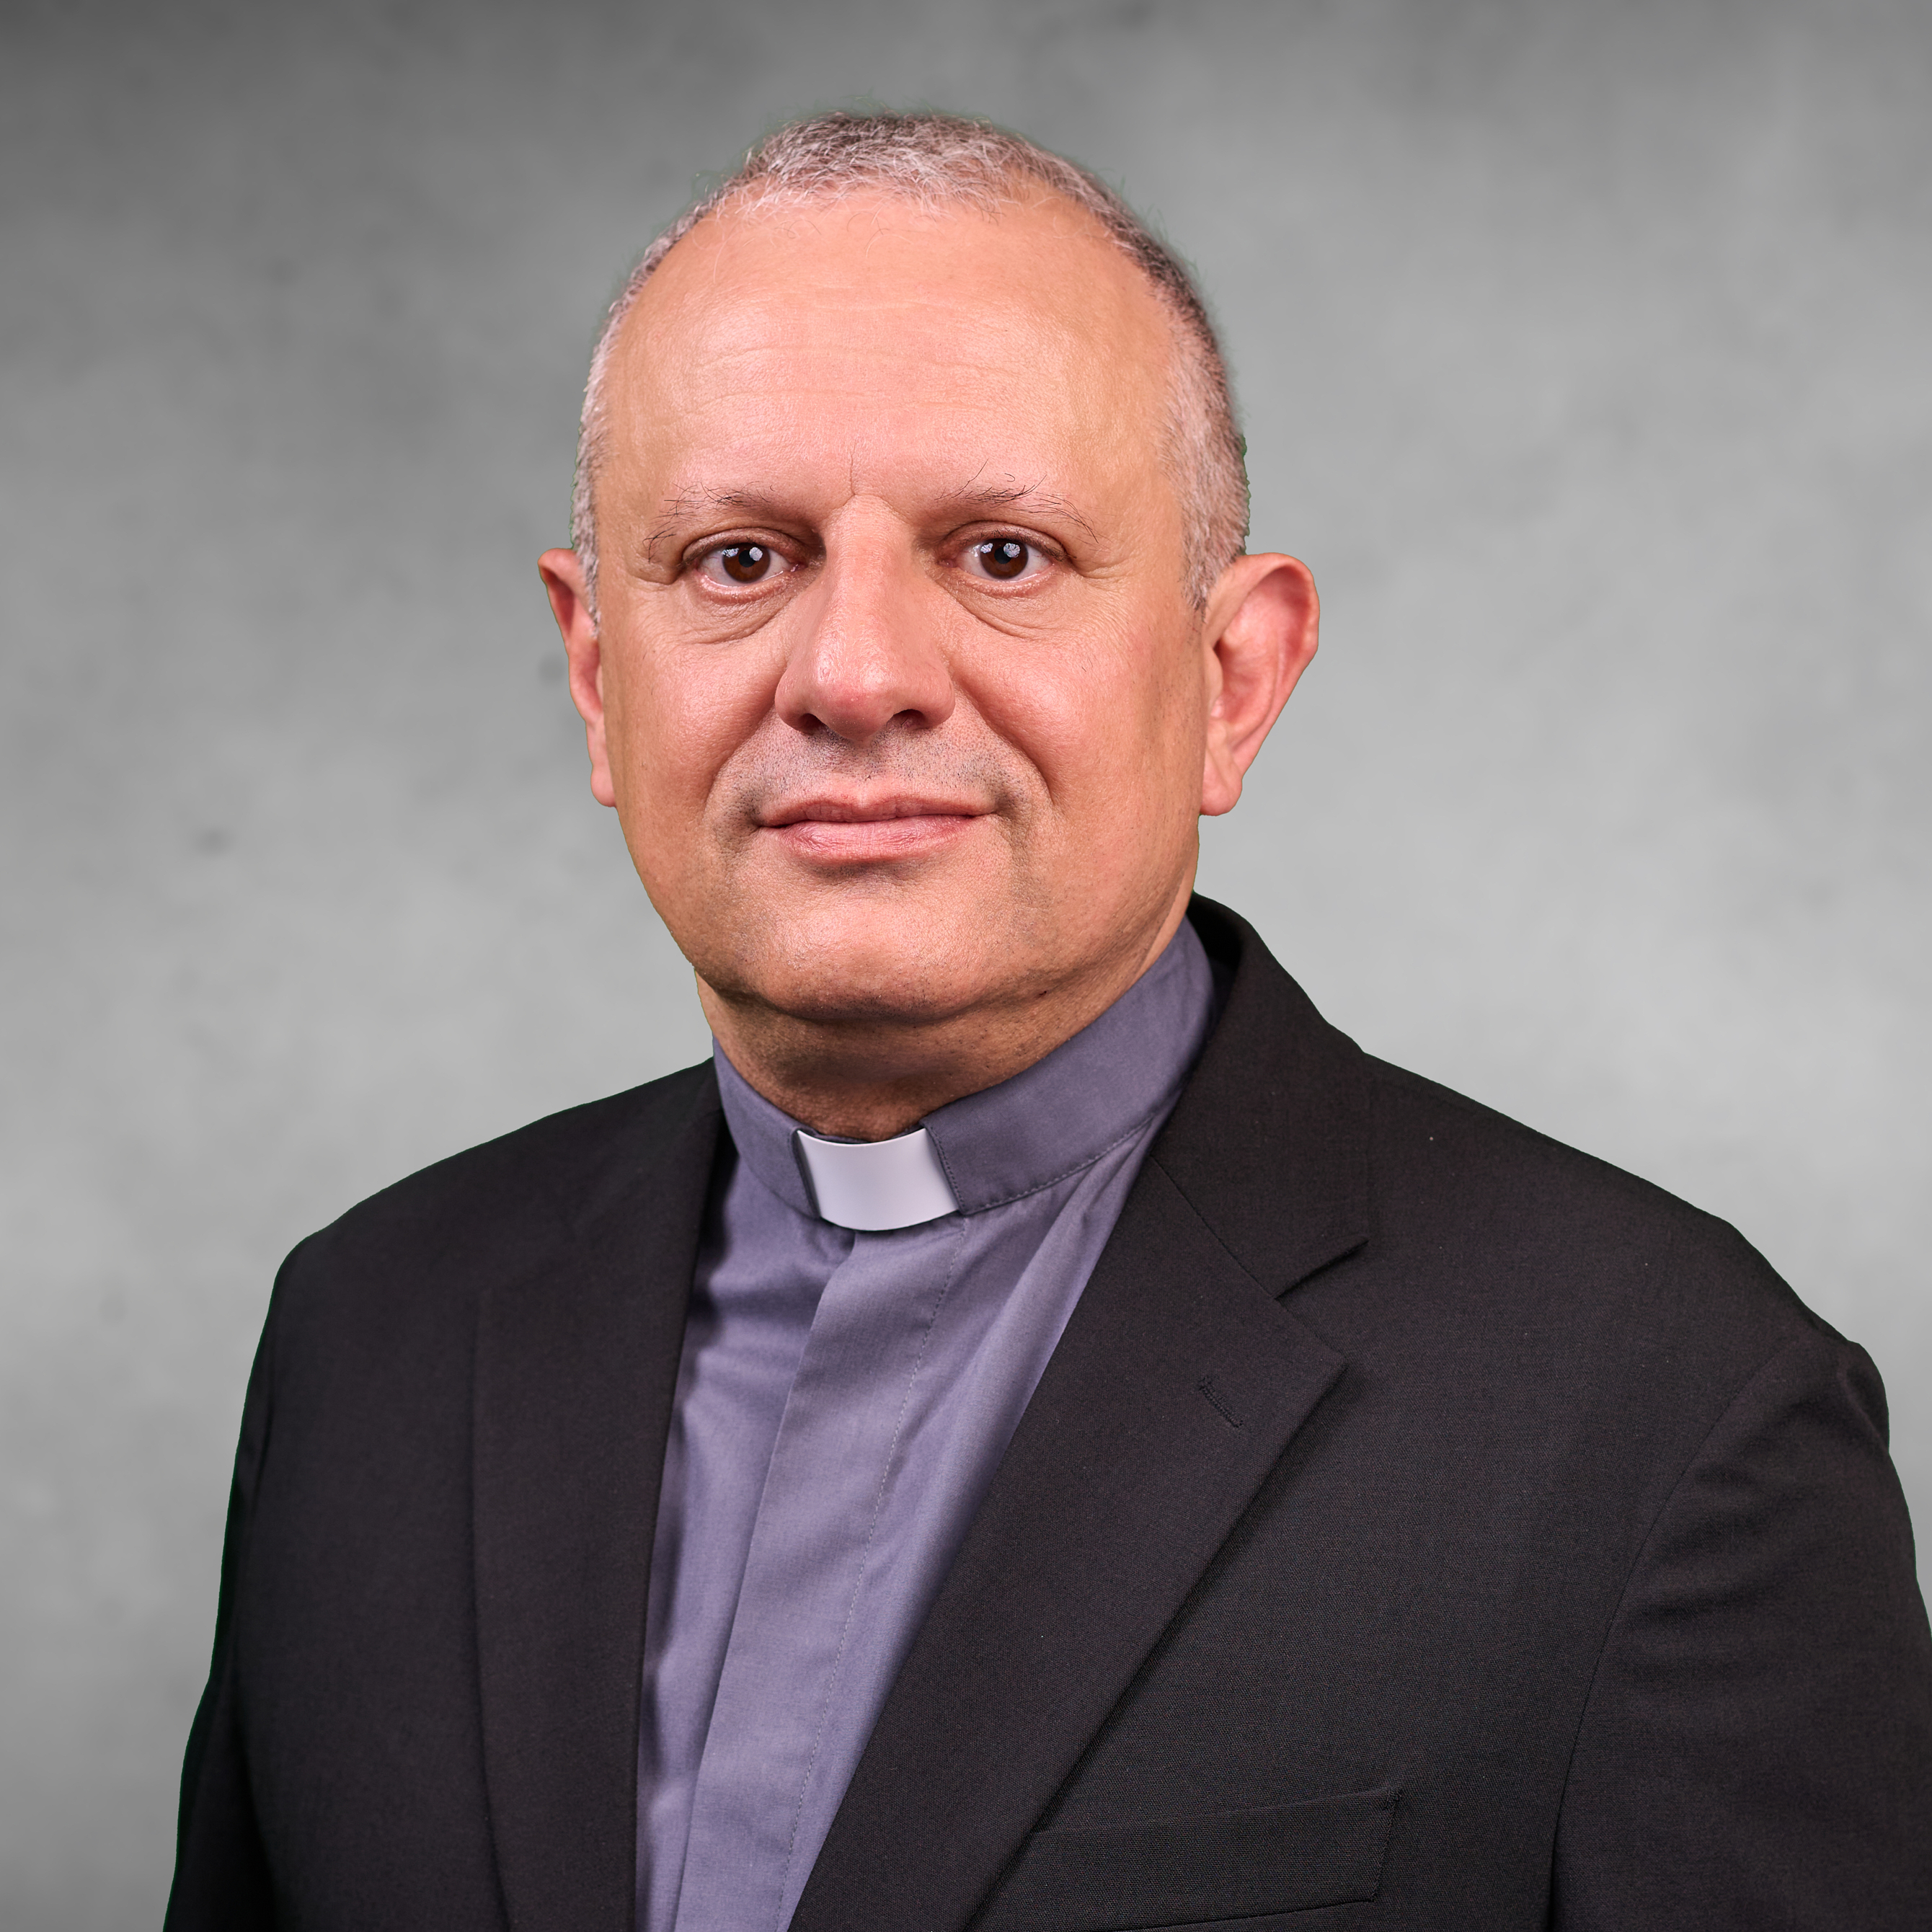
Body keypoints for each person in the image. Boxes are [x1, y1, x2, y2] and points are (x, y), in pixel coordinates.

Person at [164, 112, 1932, 1932]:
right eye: (738, 560)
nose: (855, 674)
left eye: (1002, 554)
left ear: (1231, 677)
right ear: (599, 669)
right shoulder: (368, 1335)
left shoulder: (1664, 1413)